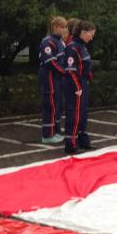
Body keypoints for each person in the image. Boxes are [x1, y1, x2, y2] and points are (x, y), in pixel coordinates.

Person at [64, 20, 96, 154]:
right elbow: (70, 70)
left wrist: (88, 76)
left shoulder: (82, 47)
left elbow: (85, 64)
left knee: (82, 114)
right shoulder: (72, 47)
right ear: (83, 32)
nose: (92, 37)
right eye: (91, 34)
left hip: (83, 83)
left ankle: (83, 139)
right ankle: (71, 143)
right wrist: (77, 87)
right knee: (74, 114)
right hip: (75, 84)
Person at [38, 16, 67, 144]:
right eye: (62, 27)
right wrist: (64, 71)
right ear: (55, 27)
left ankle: (55, 131)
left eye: (65, 27)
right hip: (49, 79)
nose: (64, 30)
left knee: (57, 105)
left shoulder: (60, 42)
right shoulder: (47, 42)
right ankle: (47, 135)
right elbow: (50, 62)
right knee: (50, 106)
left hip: (58, 80)